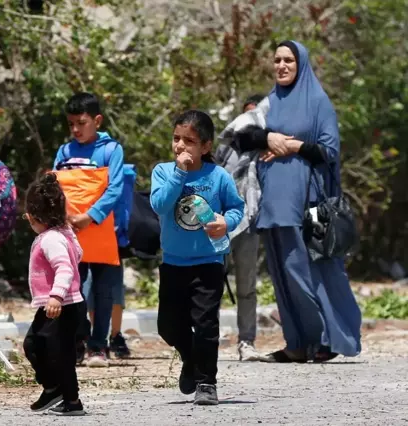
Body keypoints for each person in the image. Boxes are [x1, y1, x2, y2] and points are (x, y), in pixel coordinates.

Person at [233, 40, 362, 362]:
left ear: (300, 63)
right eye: (276, 60)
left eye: (288, 60)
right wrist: (268, 138)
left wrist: (294, 146)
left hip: (308, 203)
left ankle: (324, 340)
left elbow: (328, 152)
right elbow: (239, 135)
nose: (281, 66)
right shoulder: (268, 103)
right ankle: (297, 343)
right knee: (283, 273)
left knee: (309, 271)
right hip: (272, 202)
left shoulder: (319, 102)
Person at [151, 110, 244, 405]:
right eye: (176, 138)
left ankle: (206, 382)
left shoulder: (218, 177)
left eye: (189, 141)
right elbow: (160, 204)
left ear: (205, 146)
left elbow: (236, 208)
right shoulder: (163, 172)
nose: (180, 146)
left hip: (208, 262)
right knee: (167, 325)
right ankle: (190, 357)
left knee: (205, 324)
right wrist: (180, 172)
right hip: (174, 263)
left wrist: (225, 223)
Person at [53, 93, 127, 367]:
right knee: (75, 289)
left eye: (81, 123)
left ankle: (99, 346)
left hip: (103, 234)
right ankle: (77, 342)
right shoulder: (64, 152)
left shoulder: (111, 150)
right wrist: (66, 215)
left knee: (104, 292)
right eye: (71, 123)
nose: (75, 129)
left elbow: (115, 188)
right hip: (72, 234)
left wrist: (91, 216)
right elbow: (55, 187)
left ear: (97, 121)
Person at [22, 172, 86, 416]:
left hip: (60, 305)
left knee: (38, 347)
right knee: (58, 352)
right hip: (63, 304)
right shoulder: (65, 233)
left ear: (36, 217)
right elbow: (77, 254)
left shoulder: (50, 239)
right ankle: (68, 399)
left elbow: (66, 266)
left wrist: (56, 295)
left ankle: (56, 390)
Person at [214, 94, 264, 362]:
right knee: (212, 284)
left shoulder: (266, 151)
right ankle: (209, 339)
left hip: (250, 225)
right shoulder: (226, 148)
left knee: (247, 287)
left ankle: (247, 342)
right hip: (221, 224)